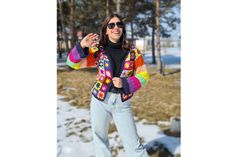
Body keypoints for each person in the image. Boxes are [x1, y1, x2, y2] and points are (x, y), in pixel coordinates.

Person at [67, 14, 150, 157]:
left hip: (122, 103)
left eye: (119, 24)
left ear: (123, 29)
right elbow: (72, 63)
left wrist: (125, 83)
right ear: (106, 30)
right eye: (111, 25)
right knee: (100, 142)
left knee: (134, 145)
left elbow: (144, 76)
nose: (115, 27)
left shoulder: (133, 52)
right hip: (99, 100)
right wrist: (82, 46)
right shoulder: (98, 51)